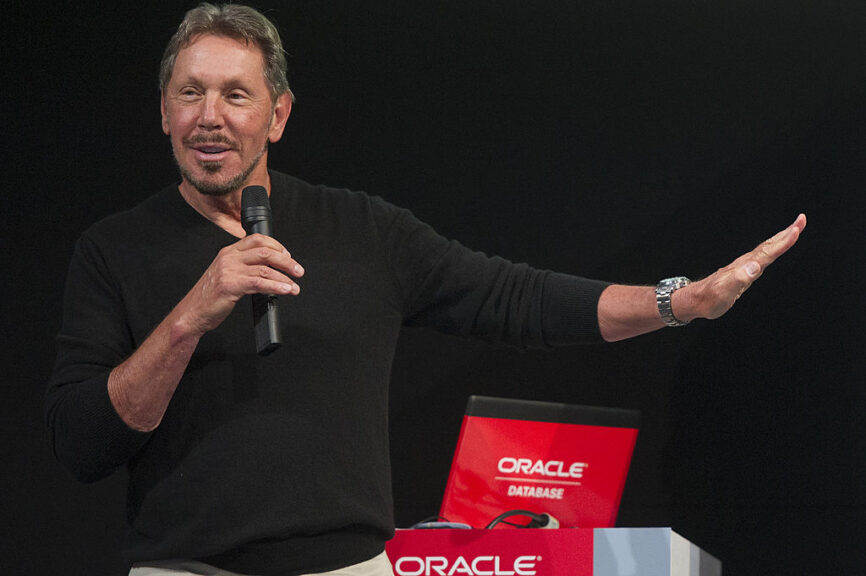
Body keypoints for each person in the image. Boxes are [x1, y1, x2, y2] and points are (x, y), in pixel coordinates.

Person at [45, 3, 806, 576]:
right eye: (191, 94)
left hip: (349, 568)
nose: (210, 118)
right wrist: (189, 316)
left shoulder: (365, 230)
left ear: (276, 116)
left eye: (236, 96)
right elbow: (83, 443)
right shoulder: (113, 250)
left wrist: (682, 301)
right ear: (163, 112)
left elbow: (519, 300)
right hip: (186, 569)